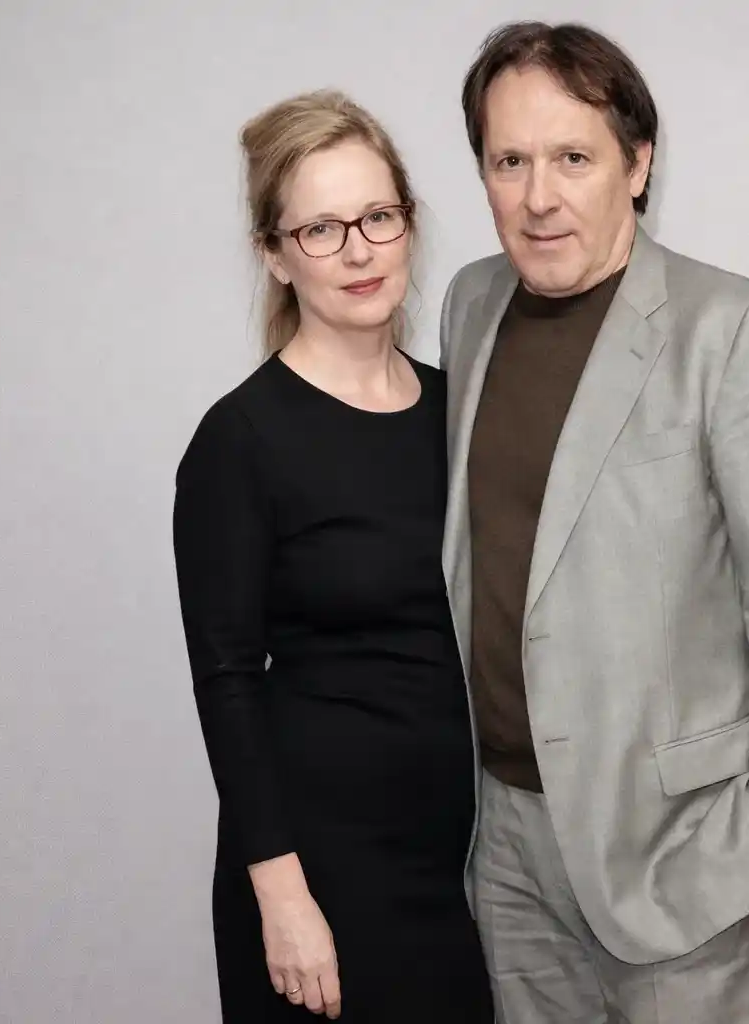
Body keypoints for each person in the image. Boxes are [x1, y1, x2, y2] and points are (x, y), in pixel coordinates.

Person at [438, 22, 749, 1023]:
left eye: (573, 158)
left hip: (684, 857)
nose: (539, 197)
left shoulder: (736, 330)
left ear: (637, 164)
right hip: (506, 848)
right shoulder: (469, 306)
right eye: (510, 161)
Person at [172, 89, 493, 1023]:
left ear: (408, 224)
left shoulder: (461, 413)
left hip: (461, 866)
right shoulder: (241, 440)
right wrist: (282, 899)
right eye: (321, 229)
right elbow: (227, 681)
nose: (359, 250)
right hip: (318, 877)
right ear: (274, 254)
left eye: (378, 216)